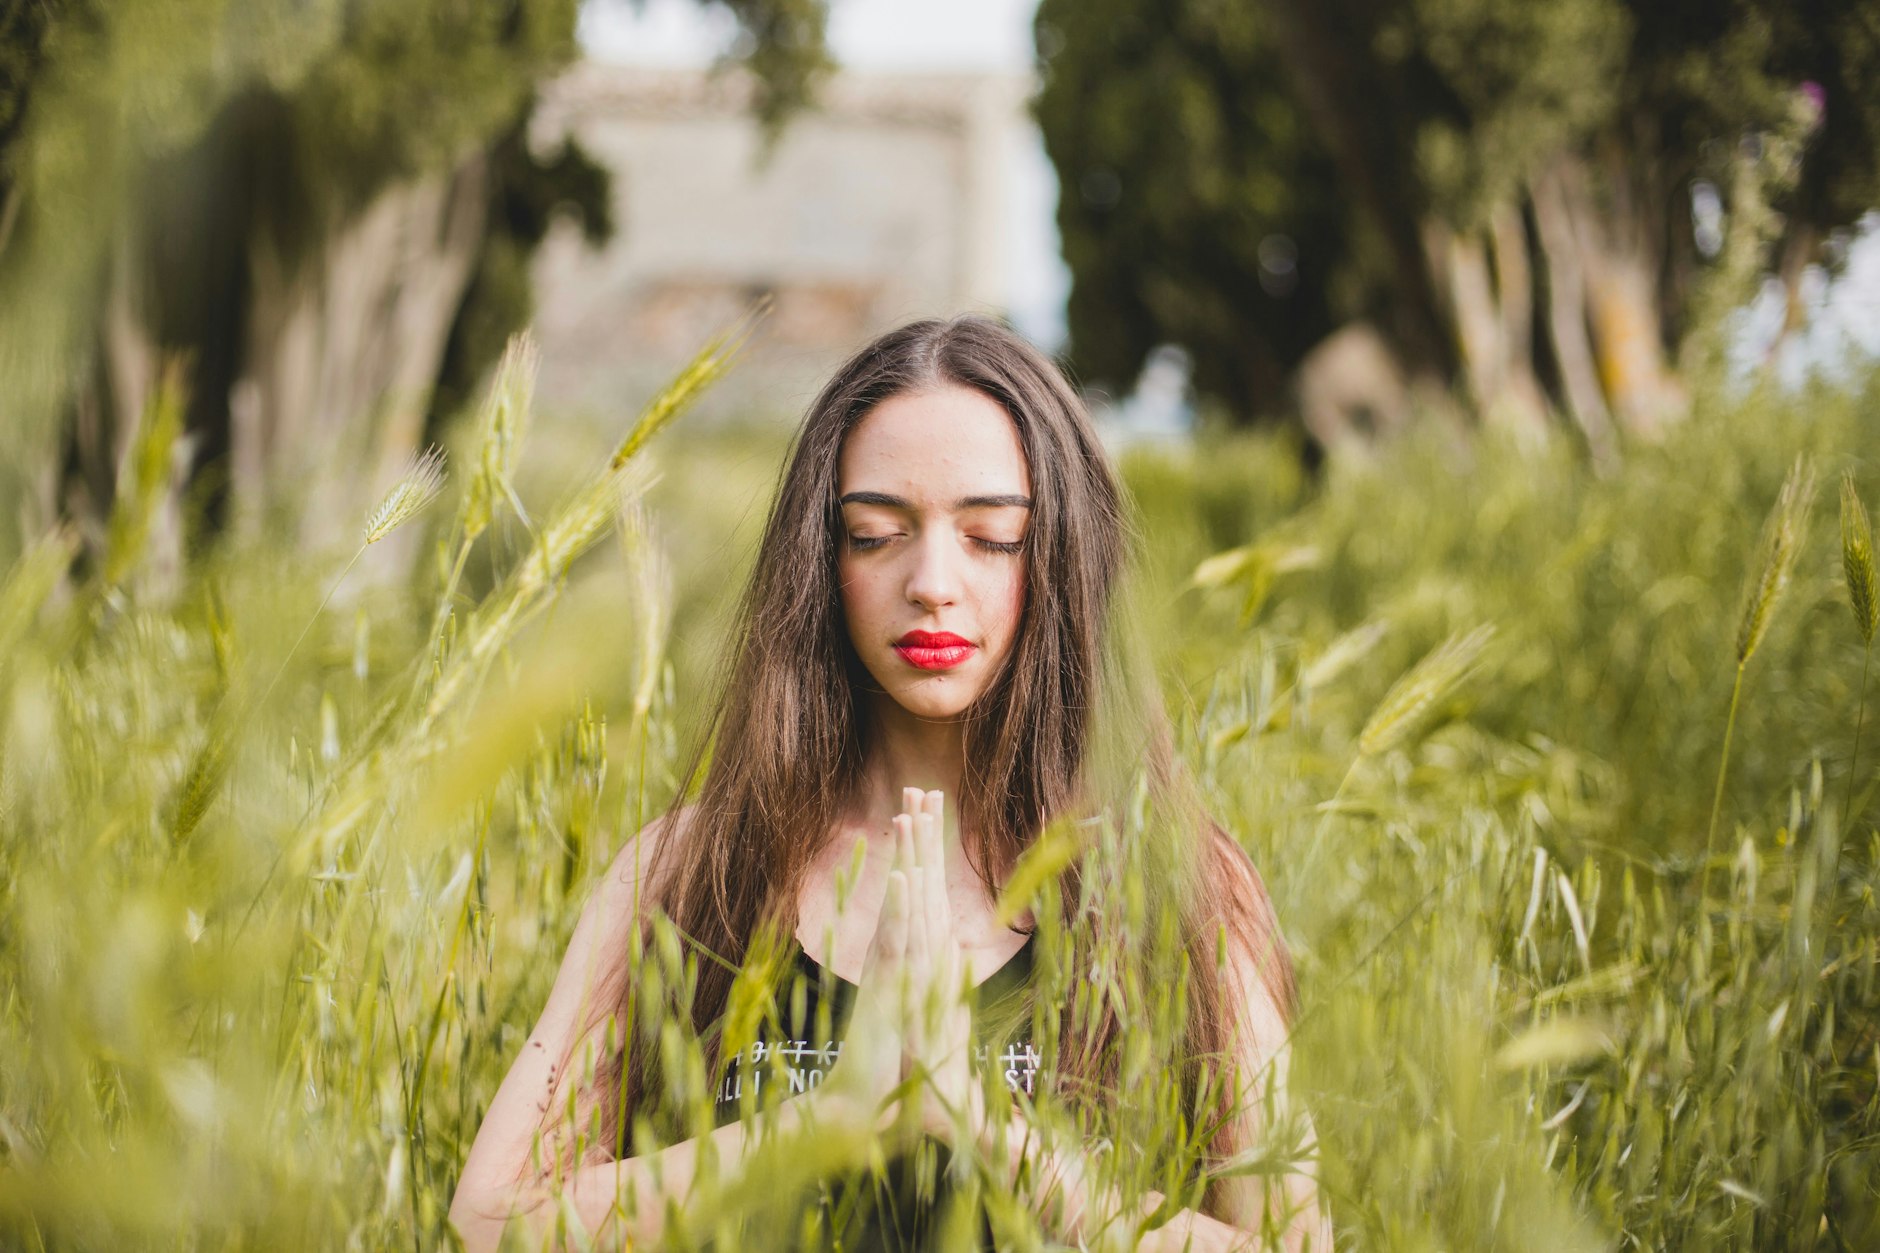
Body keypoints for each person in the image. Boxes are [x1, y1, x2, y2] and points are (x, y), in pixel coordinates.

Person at [448, 315, 1333, 1250]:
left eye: (991, 537)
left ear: (1063, 556)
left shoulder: (1177, 883)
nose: (932, 582)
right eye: (876, 534)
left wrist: (993, 1133)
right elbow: (488, 1223)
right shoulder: (688, 871)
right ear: (822, 559)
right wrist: (828, 1117)